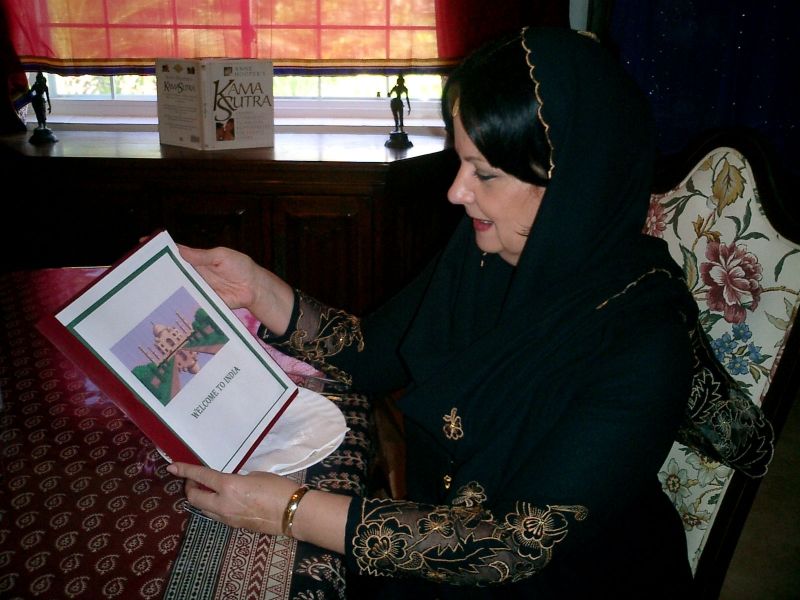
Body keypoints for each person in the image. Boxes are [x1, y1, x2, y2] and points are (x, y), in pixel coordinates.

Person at [167, 26, 699, 598]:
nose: (456, 192)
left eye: (484, 173)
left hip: (569, 580)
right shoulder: (487, 253)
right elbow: (373, 352)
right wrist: (257, 289)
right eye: (461, 162)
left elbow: (509, 546)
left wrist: (291, 510)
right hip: (436, 548)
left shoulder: (643, 336)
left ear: (574, 182)